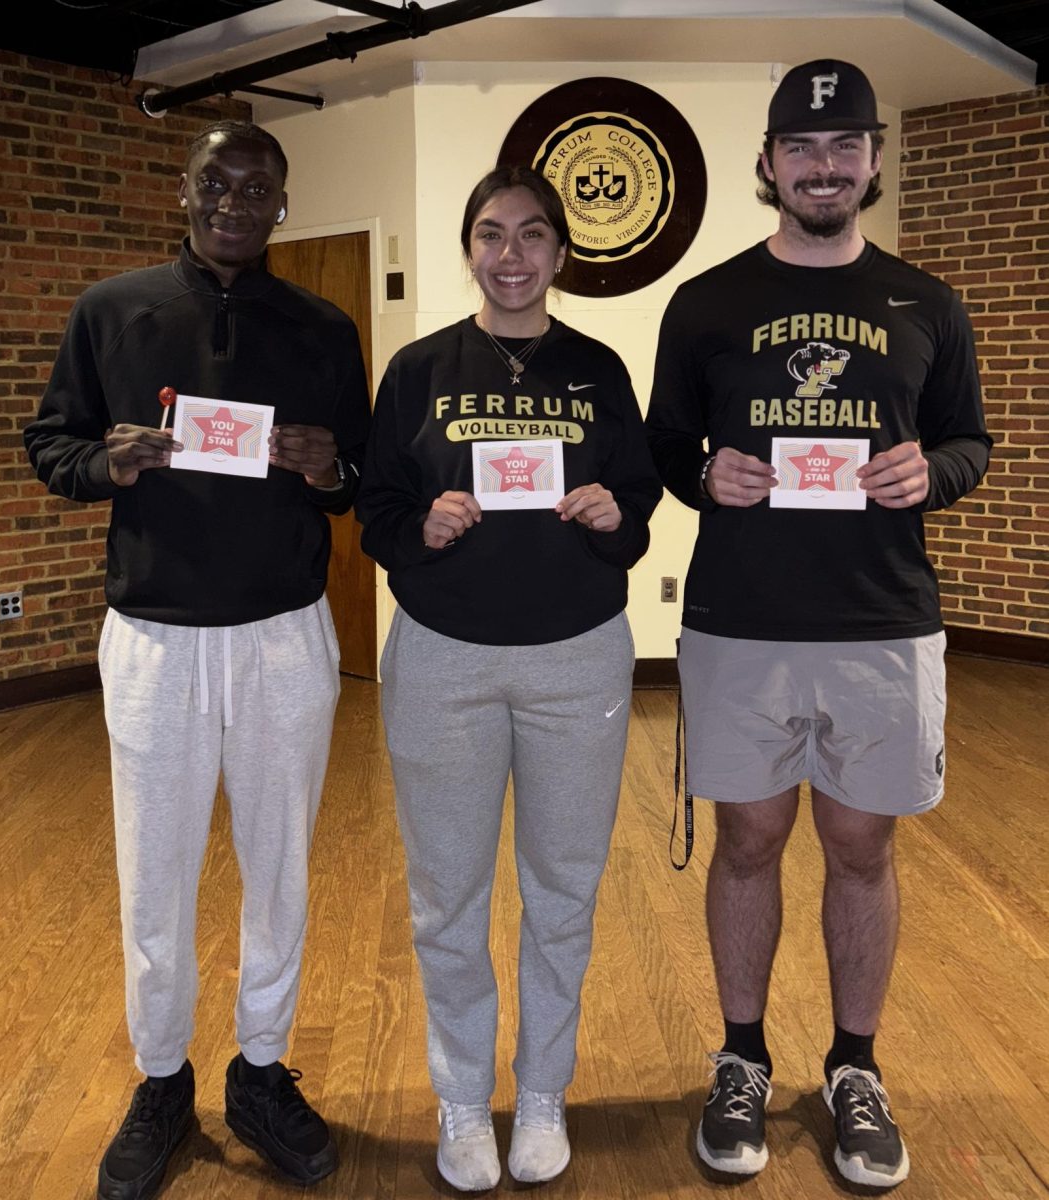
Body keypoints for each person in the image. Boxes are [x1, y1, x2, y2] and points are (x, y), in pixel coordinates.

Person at [646, 60, 990, 1189]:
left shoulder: (928, 302)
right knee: (748, 841)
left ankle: (854, 1069)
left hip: (883, 624)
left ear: (875, 160)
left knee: (862, 845)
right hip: (743, 623)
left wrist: (924, 473)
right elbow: (663, 449)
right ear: (769, 161)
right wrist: (709, 475)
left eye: (846, 147)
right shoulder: (705, 302)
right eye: (803, 146)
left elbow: (968, 444)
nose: (825, 165)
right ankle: (741, 1057)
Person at [24, 120, 370, 1200]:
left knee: (279, 869)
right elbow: (52, 445)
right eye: (215, 179)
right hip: (155, 639)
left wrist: (327, 467)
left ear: (281, 201)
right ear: (187, 190)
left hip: (281, 634)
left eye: (255, 184)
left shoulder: (321, 326)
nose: (234, 197)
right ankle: (162, 1078)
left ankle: (260, 1071)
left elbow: (356, 475)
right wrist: (107, 462)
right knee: (154, 874)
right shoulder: (112, 311)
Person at [356, 165, 661, 1191]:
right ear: (469, 248)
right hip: (443, 656)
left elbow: (637, 499)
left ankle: (541, 1092)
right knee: (447, 896)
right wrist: (420, 530)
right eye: (492, 234)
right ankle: (459, 1101)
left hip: (579, 658)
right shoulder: (418, 369)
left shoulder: (600, 368)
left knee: (563, 891)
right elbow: (378, 510)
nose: (513, 254)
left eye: (534, 236)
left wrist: (621, 522)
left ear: (560, 255)